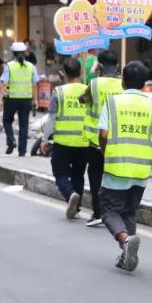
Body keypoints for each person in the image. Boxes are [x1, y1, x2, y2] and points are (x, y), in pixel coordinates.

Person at [98, 60, 152, 272]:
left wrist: (105, 150)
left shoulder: (112, 102)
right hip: (141, 169)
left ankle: (126, 241)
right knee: (129, 213)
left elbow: (103, 134)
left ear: (123, 82)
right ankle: (126, 253)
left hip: (117, 166)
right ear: (144, 83)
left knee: (108, 211)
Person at [81, 49, 123, 226]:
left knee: (96, 176)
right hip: (119, 139)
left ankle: (98, 212)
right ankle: (116, 212)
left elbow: (83, 99)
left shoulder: (95, 83)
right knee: (115, 175)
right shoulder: (124, 85)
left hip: (97, 139)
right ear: (118, 66)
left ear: (100, 66)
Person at [46, 57, 88, 219]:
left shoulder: (59, 92)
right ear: (81, 72)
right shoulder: (88, 90)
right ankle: (76, 209)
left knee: (59, 172)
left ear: (64, 73)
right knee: (78, 174)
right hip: (83, 141)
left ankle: (70, 194)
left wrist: (44, 139)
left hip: (63, 141)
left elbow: (51, 118)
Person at [0, 42, 39, 157]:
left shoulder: (9, 66)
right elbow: (35, 84)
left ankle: (11, 141)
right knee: (24, 125)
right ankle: (22, 151)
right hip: (26, 99)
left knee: (7, 121)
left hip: (11, 98)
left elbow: (3, 83)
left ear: (13, 53)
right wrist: (35, 100)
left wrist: (1, 99)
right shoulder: (31, 66)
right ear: (25, 53)